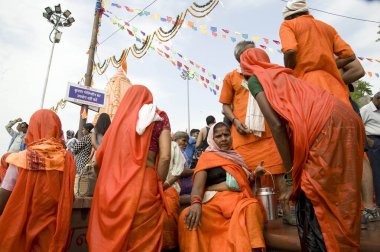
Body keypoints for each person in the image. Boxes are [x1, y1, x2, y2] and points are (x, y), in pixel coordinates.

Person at [240, 48, 364, 251]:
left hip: (324, 123)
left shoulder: (256, 78)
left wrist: (290, 172)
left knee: (315, 192)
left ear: (245, 65)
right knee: (342, 195)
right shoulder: (283, 75)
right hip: (345, 116)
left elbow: (276, 125)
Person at [87, 85, 171, 251]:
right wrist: (157, 182)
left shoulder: (116, 125)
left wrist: (104, 182)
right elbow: (166, 157)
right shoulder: (158, 116)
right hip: (143, 186)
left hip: (110, 187)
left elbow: (97, 162)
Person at [220, 40, 290, 223]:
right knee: (245, 177)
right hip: (243, 136)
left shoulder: (267, 73)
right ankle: (250, 213)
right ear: (240, 58)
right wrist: (235, 121)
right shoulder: (231, 77)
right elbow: (225, 106)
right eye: (249, 53)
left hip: (269, 132)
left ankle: (287, 209)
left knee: (278, 170)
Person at [179, 122, 266, 252]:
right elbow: (198, 186)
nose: (224, 138)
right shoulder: (206, 157)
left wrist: (255, 175)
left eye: (226, 134)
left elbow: (244, 183)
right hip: (213, 205)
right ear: (211, 140)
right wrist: (196, 203)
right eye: (218, 136)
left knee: (252, 206)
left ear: (231, 136)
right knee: (186, 215)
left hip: (238, 202)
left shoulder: (237, 157)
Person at [0, 109, 75, 251]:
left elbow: (2, 201)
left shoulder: (21, 159)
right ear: (57, 129)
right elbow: (69, 198)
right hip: (51, 240)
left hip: (19, 238)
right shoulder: (66, 161)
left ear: (32, 130)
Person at [279, 0, 359, 106]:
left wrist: (290, 69)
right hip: (335, 86)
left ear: (289, 16)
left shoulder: (288, 25)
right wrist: (328, 65)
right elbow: (350, 55)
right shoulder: (328, 27)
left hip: (308, 86)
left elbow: (290, 51)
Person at [162, 140, 186, 250]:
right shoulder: (141, 143)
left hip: (169, 187)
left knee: (169, 218)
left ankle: (171, 246)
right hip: (146, 189)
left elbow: (178, 170)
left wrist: (165, 185)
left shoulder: (173, 145)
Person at [361, 92, 380, 216]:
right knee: (376, 171)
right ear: (378, 99)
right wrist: (368, 141)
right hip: (373, 141)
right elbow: (358, 124)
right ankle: (377, 201)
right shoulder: (366, 109)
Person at [173, 131, 195, 206]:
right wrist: (196, 170)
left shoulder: (182, 152)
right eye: (183, 140)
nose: (186, 143)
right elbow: (181, 171)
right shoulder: (176, 152)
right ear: (175, 140)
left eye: (187, 141)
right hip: (179, 188)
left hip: (185, 188)